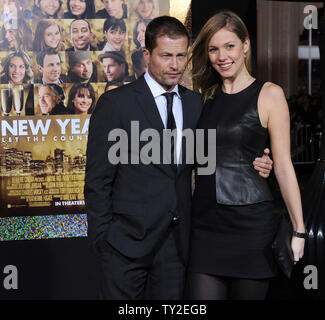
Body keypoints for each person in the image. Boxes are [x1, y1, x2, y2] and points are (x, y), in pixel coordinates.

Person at [84, 15, 272, 300]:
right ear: (147, 54)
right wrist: (104, 240)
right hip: (124, 245)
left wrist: (257, 163)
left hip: (176, 246)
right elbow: (97, 181)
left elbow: (210, 160)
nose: (175, 64)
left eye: (181, 55)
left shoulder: (196, 103)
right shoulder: (116, 104)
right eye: (166, 56)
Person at [187, 11, 306, 300]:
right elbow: (193, 162)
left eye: (229, 46)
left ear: (246, 45)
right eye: (213, 49)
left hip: (251, 229)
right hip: (204, 228)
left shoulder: (269, 94)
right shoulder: (202, 97)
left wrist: (299, 230)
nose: (221, 56)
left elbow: (283, 167)